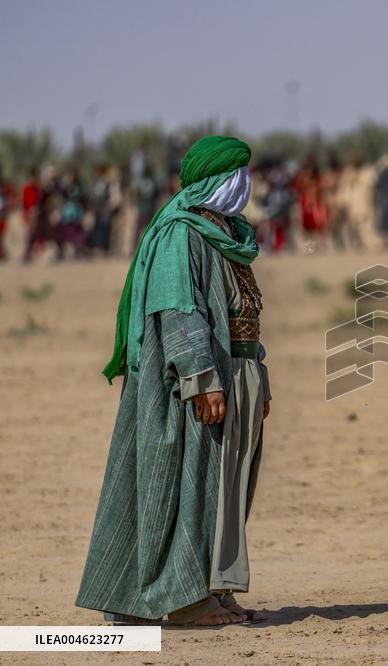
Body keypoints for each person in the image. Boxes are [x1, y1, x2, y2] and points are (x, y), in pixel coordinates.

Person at [77, 136, 272, 627]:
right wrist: (202, 379)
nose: (245, 185)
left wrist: (258, 377)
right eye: (237, 175)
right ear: (215, 181)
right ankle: (185, 600)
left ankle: (213, 587)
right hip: (196, 384)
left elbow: (244, 312)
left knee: (227, 488)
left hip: (238, 372)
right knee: (191, 486)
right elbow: (179, 312)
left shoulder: (227, 232)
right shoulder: (179, 235)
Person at [87, 164, 122, 256]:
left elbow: (115, 198)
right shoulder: (97, 183)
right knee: (98, 228)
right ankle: (98, 247)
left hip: (106, 210)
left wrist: (109, 207)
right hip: (98, 210)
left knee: (106, 229)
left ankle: (106, 249)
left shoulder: (109, 184)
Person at [0, 171, 13, 261]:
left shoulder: (4, 187)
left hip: (2, 214)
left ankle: (2, 252)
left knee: (1, 235)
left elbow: (10, 198)